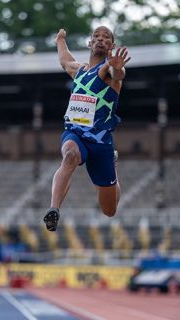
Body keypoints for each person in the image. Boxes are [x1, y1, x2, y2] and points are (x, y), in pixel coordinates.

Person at [44, 26, 131, 231]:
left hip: (100, 143)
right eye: (96, 37)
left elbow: (118, 74)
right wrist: (60, 40)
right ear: (90, 43)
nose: (101, 40)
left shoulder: (107, 70)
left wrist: (118, 68)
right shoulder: (80, 71)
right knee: (70, 155)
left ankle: (113, 168)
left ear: (112, 46)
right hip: (75, 133)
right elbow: (65, 61)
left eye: (106, 38)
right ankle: (53, 209)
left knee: (109, 210)